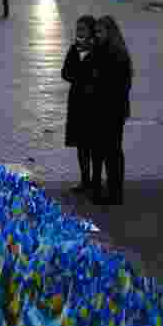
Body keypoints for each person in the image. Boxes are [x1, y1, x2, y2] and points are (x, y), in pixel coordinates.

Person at [92, 16, 133, 205]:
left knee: (113, 151)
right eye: (96, 32)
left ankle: (115, 192)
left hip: (112, 110)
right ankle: (110, 190)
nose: (97, 35)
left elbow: (119, 85)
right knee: (106, 150)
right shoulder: (102, 50)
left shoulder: (117, 54)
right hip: (103, 109)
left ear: (110, 33)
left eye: (100, 32)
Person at [61, 15, 99, 194]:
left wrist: (84, 78)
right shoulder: (74, 49)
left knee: (94, 144)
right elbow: (65, 72)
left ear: (91, 31)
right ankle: (85, 180)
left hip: (94, 103)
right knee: (81, 145)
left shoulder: (98, 50)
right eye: (78, 29)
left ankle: (95, 180)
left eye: (83, 29)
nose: (79, 33)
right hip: (77, 102)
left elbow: (99, 75)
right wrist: (81, 77)